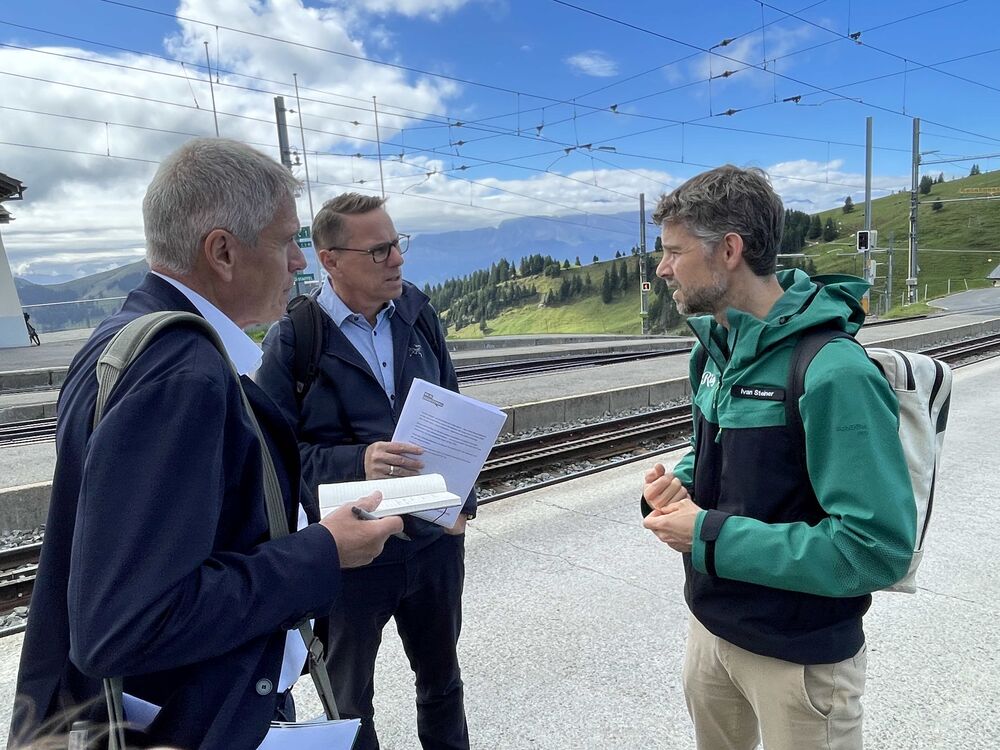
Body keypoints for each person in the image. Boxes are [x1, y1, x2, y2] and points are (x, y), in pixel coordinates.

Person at [9, 138, 403, 750]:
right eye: (285, 241)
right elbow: (127, 622)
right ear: (222, 251)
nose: (299, 262)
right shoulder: (182, 376)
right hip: (191, 720)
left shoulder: (124, 337)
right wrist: (324, 551)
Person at [639, 165, 916, 750]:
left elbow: (876, 550)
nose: (662, 268)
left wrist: (708, 535)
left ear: (729, 250)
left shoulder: (833, 371)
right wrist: (679, 485)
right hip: (712, 630)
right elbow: (721, 458)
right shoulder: (713, 350)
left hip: (799, 656)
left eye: (674, 252)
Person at [256, 193, 474, 750]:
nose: (396, 259)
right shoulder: (295, 338)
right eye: (378, 251)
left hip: (432, 543)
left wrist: (463, 508)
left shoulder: (418, 314)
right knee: (348, 702)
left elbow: (456, 414)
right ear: (329, 260)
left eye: (397, 244)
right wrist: (359, 461)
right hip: (351, 555)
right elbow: (274, 459)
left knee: (443, 684)